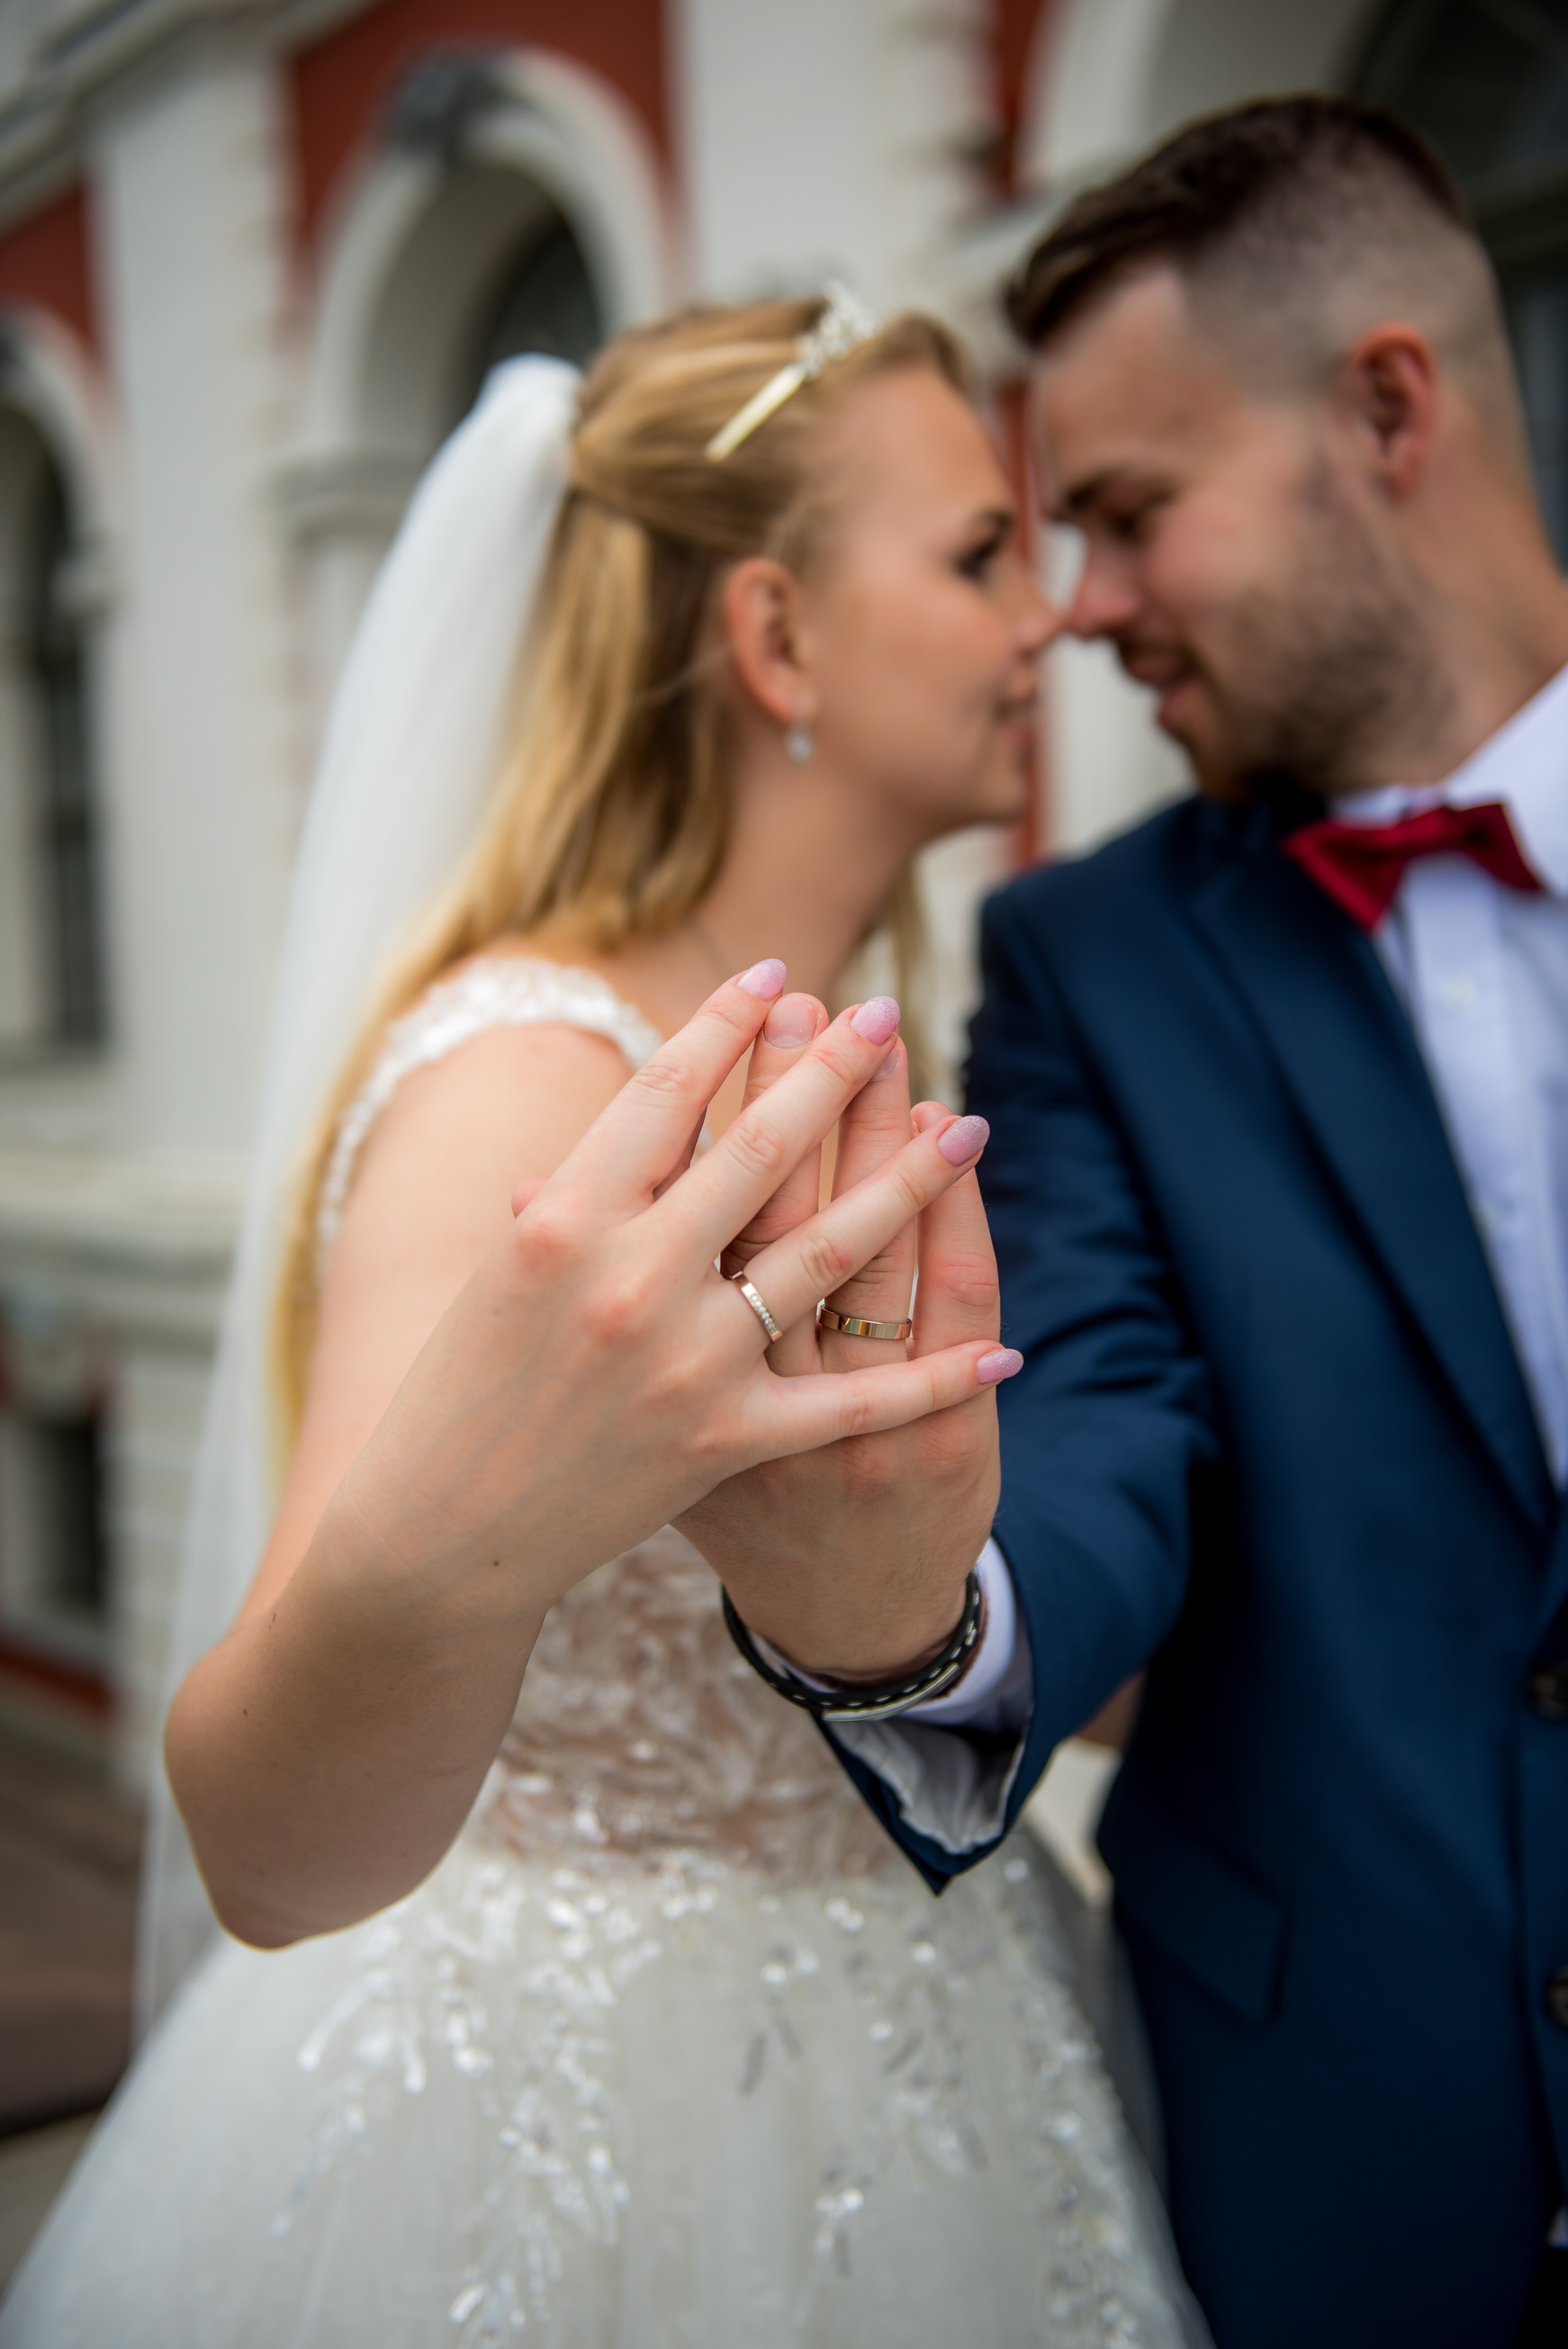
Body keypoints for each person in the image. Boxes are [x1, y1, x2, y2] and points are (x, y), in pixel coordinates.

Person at [0, 300, 1199, 2345]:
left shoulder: (895, 1060)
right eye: (981, 554)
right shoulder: (530, 1088)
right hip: (583, 2138)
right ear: (778, 639)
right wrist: (486, 1518)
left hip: (947, 2028)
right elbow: (266, 1842)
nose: (1051, 622)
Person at [688, 96, 1568, 2349]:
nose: (1079, 612)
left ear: (1385, 408)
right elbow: (1091, 1415)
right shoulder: (1087, 956)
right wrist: (903, 1610)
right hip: (1354, 2147)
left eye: (1127, 516)